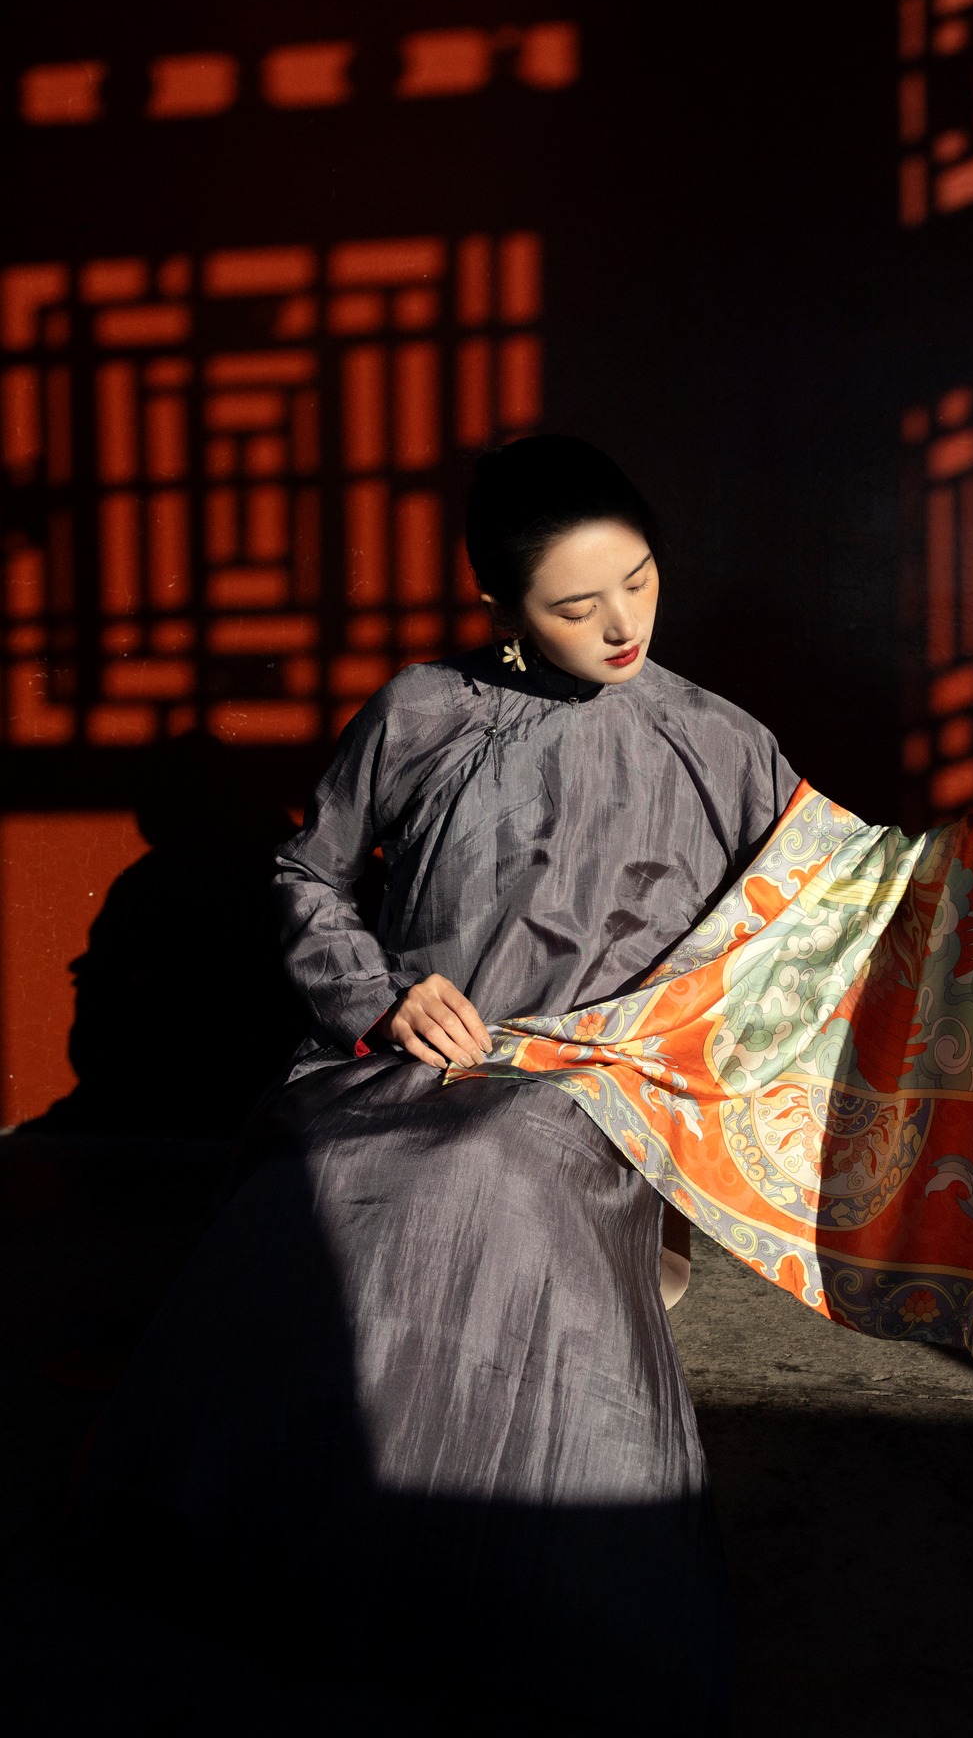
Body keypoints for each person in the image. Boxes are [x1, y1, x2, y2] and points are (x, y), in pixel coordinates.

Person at [80, 435, 796, 1734]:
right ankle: (319, 1535)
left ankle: (486, 1571)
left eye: (638, 580)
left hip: (590, 1085)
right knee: (326, 1184)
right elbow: (308, 876)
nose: (621, 624)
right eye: (574, 605)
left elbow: (818, 916)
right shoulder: (422, 711)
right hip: (404, 1051)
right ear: (500, 609)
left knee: (484, 1175)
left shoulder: (718, 742)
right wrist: (380, 995)